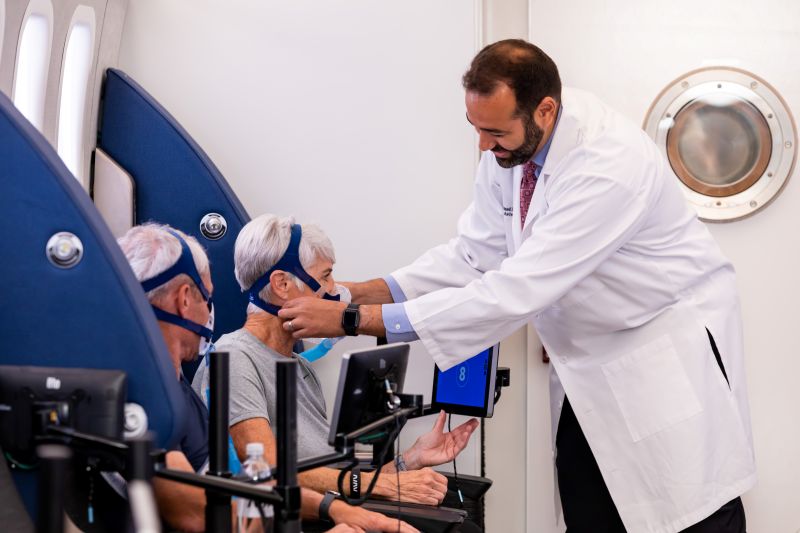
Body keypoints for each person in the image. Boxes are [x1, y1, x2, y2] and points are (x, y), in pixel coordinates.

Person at [277, 40, 756, 533]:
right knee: (592, 513)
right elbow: (473, 254)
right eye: (476, 128)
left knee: (690, 510)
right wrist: (356, 292)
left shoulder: (608, 163)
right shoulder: (510, 149)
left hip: (658, 355)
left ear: (545, 110)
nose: (483, 146)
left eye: (495, 132)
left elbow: (515, 290)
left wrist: (354, 322)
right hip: (585, 367)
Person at [119, 223, 417, 533]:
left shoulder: (177, 392)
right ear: (183, 299)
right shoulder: (159, 401)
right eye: (206, 296)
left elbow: (263, 486)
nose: (334, 291)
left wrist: (343, 502)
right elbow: (226, 507)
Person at [192, 214, 479, 506]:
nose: (335, 291)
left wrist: (410, 461)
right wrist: (389, 486)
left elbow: (338, 484)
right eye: (325, 276)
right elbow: (269, 471)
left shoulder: (299, 369)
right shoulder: (233, 358)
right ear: (281, 285)